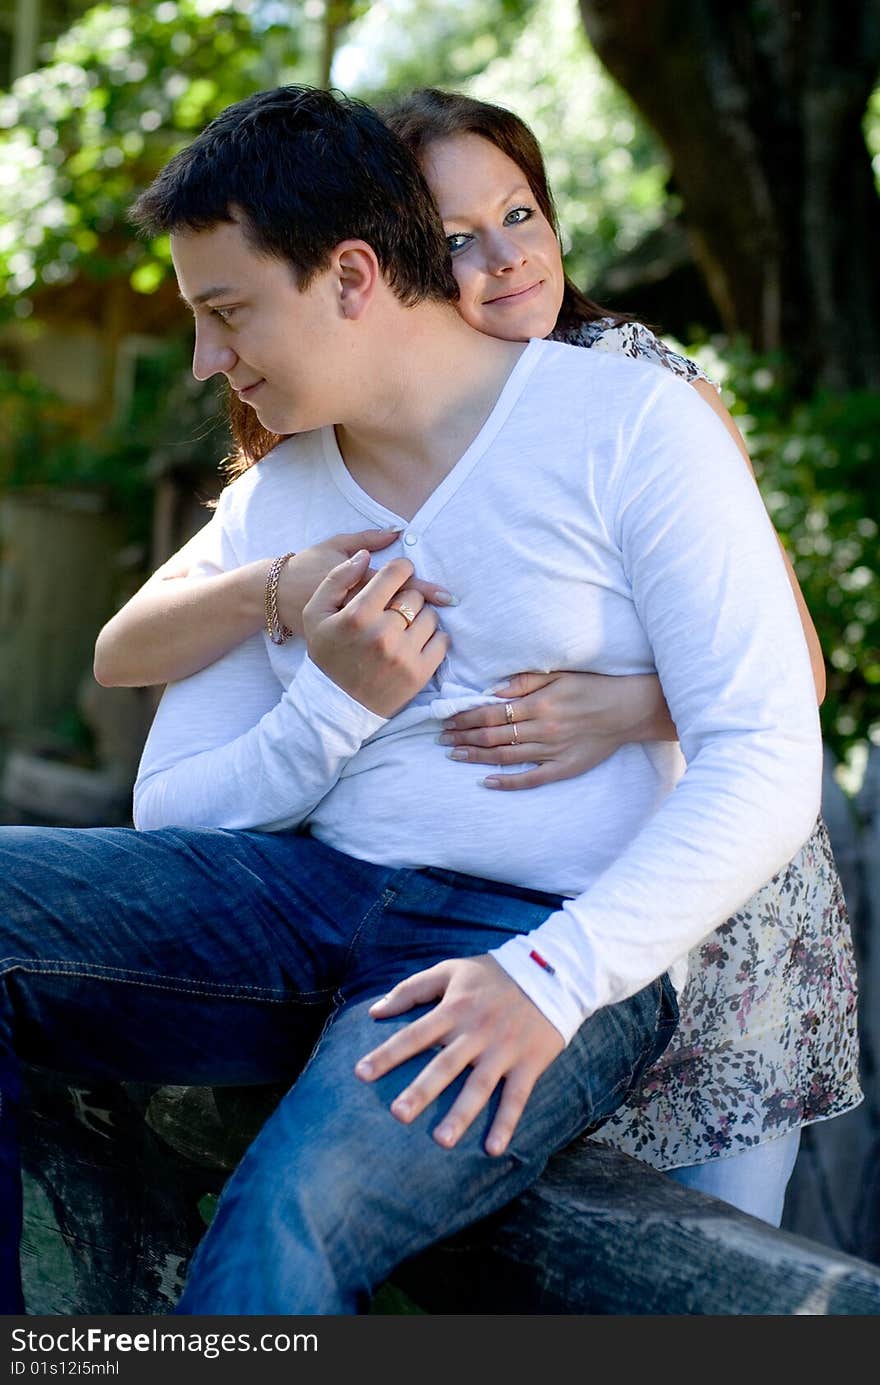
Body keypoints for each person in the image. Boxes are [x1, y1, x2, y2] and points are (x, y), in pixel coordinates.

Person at [1, 83, 821, 1316]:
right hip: (302, 902)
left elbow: (765, 751)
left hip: (526, 934)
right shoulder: (277, 500)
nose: (207, 361)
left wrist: (553, 978)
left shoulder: (631, 424)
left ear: (348, 277)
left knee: (284, 1225)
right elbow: (176, 805)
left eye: (225, 313)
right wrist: (331, 704)